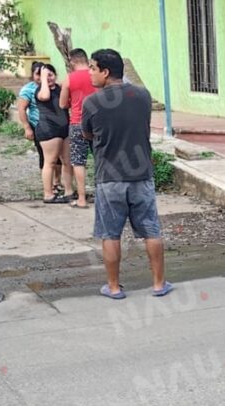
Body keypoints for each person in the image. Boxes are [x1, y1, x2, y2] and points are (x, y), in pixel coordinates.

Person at [81, 48, 172, 299]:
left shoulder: (91, 103)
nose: (89, 73)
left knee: (110, 234)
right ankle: (158, 284)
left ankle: (113, 287)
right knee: (151, 230)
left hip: (109, 178)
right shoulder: (142, 95)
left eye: (92, 68)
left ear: (105, 72)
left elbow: (87, 134)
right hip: (141, 175)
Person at [16, 62, 65, 196]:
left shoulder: (56, 87)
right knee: (46, 158)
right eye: (38, 74)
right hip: (40, 126)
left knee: (59, 158)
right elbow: (21, 109)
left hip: (58, 128)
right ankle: (48, 187)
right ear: (33, 75)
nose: (42, 77)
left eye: (48, 74)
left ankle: (57, 181)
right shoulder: (29, 90)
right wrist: (27, 128)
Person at [59, 48, 95, 208]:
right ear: (86, 60)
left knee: (78, 161)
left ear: (72, 61)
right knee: (101, 158)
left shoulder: (69, 79)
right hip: (98, 123)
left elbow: (62, 104)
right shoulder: (97, 75)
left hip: (77, 123)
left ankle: (81, 198)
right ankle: (104, 195)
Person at [34, 64, 74, 205]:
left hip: (64, 129)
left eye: (51, 75)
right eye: (45, 75)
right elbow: (45, 96)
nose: (49, 78)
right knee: (50, 162)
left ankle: (69, 191)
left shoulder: (59, 88)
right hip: (48, 130)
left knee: (67, 161)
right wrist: (44, 79)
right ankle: (48, 194)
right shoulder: (40, 90)